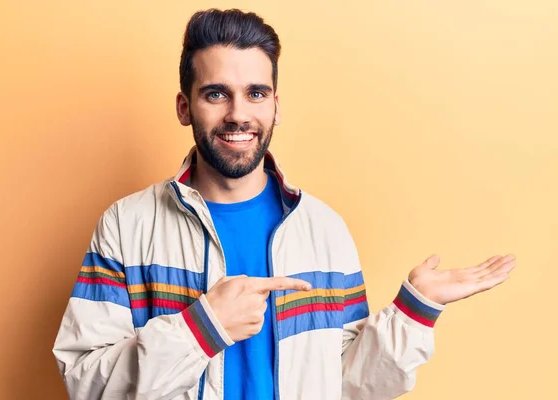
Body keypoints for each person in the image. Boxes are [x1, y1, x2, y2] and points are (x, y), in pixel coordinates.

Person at [52, 8, 516, 400]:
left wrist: (413, 313)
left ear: (275, 105)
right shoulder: (126, 225)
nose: (238, 113)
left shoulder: (324, 229)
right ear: (183, 107)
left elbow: (348, 385)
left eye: (256, 93)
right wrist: (201, 328)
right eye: (216, 94)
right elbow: (85, 382)